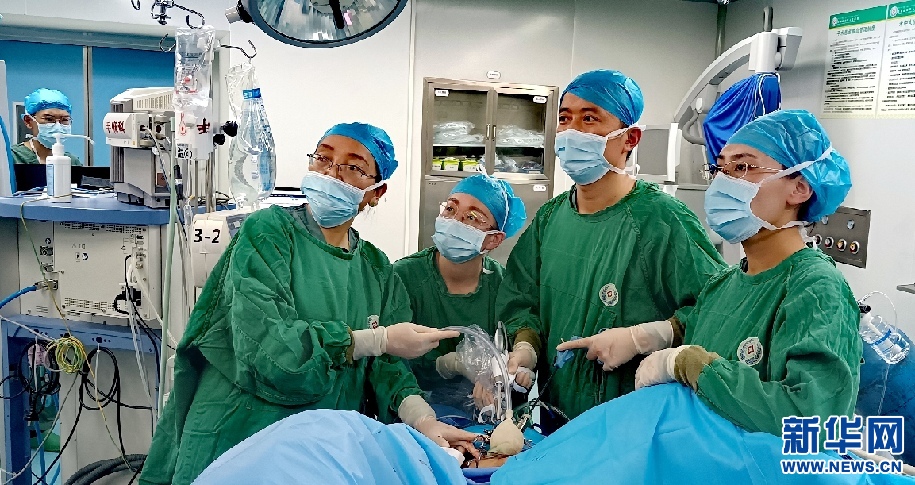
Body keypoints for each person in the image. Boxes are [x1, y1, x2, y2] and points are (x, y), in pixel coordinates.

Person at [140, 123, 477, 485]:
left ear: (376, 192)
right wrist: (372, 340)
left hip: (318, 454)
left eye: (352, 166)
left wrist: (423, 420)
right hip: (240, 435)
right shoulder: (268, 232)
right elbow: (272, 351)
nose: (332, 173)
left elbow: (388, 368)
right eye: (324, 158)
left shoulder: (377, 269)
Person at [497, 69, 726, 433]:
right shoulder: (551, 219)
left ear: (629, 139)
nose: (572, 131)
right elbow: (522, 298)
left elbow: (718, 309)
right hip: (558, 418)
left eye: (589, 119)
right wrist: (526, 347)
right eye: (565, 119)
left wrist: (647, 336)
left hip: (633, 424)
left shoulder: (662, 220)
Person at [633, 109, 860, 437]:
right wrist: (652, 335)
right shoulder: (724, 283)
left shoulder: (816, 287)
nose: (723, 182)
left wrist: (694, 366)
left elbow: (813, 421)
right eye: (720, 169)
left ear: (799, 188)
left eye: (742, 167)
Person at [394, 174, 526, 418]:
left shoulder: (503, 287)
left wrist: (502, 380)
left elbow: (514, 350)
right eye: (451, 209)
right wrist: (447, 363)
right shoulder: (404, 277)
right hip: (412, 415)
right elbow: (390, 363)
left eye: (472, 217)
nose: (456, 221)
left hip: (481, 419)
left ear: (494, 239)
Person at [12, 88, 81, 165]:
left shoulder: (72, 162)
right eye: (49, 119)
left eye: (64, 119)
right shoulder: (12, 158)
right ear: (28, 121)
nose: (58, 126)